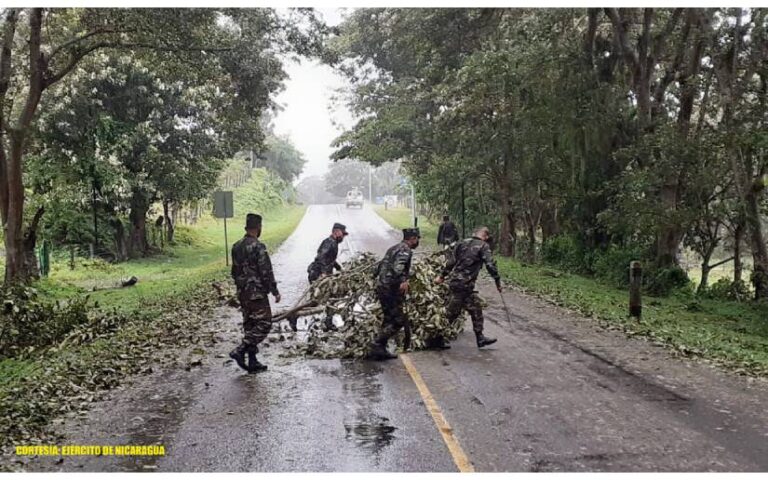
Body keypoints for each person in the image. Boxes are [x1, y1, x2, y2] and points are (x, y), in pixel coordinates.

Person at [229, 213, 281, 373]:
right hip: (256, 292)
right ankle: (240, 349)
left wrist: (240, 286)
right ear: (258, 228)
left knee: (250, 324)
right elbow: (266, 271)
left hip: (243, 292)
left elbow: (234, 271)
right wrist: (274, 290)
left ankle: (252, 361)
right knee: (265, 323)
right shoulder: (259, 247)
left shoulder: (236, 246)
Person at [435, 226, 500, 349]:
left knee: (476, 308)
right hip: (462, 285)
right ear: (485, 236)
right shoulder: (483, 246)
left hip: (459, 283)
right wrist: (497, 280)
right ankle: (437, 337)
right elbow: (490, 265)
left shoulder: (462, 243)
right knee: (452, 312)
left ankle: (480, 338)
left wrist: (442, 276)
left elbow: (451, 262)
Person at [368, 228, 421, 360]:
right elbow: (398, 268)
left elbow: (380, 266)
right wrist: (403, 281)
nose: (418, 241)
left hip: (382, 286)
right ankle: (377, 344)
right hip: (390, 289)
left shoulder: (393, 248)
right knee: (397, 321)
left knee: (388, 318)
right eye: (417, 239)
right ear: (412, 239)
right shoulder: (405, 250)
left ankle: (381, 349)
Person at [304, 222, 348, 331]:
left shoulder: (333, 243)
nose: (343, 237)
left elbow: (331, 260)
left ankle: (328, 323)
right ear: (337, 232)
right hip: (318, 275)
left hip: (323, 274)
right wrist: (323, 273)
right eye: (342, 234)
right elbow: (321, 257)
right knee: (326, 299)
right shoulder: (329, 243)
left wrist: (340, 269)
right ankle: (295, 315)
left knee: (329, 298)